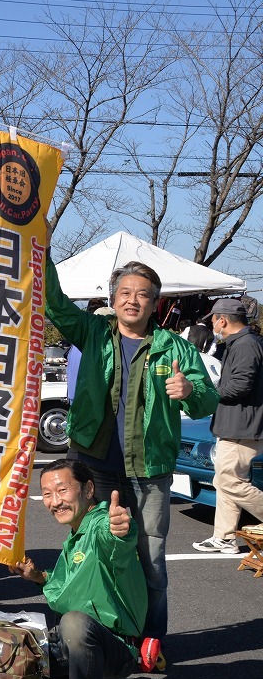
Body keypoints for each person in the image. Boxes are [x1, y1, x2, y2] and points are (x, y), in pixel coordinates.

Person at [45, 258, 217, 656]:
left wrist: (189, 391)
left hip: (149, 470)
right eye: (125, 293)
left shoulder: (173, 347)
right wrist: (42, 247)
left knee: (151, 561)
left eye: (142, 294)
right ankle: (91, 638)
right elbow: (54, 304)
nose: (132, 301)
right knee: (91, 553)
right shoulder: (92, 332)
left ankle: (149, 644)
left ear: (155, 303)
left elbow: (209, 398)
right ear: (113, 298)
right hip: (93, 466)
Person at [10, 459, 146, 679]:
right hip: (80, 645)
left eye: (62, 490)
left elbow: (115, 541)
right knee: (18, 659)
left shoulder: (98, 524)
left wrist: (122, 530)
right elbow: (65, 586)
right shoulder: (74, 536)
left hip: (117, 650)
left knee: (74, 622)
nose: (54, 501)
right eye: (47, 494)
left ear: (88, 489)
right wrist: (37, 575)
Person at [194, 300, 263, 554]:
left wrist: (210, 391)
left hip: (241, 426)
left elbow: (240, 386)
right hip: (235, 424)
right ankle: (223, 537)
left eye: (213, 319)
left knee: (231, 482)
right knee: (224, 481)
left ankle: (224, 537)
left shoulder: (246, 345)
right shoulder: (243, 343)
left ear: (222, 320)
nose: (212, 324)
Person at [185, 322, 222, 387]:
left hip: (188, 356)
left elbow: (183, 340)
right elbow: (213, 349)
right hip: (204, 359)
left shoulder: (189, 328)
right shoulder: (211, 333)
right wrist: (206, 356)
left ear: (197, 322)